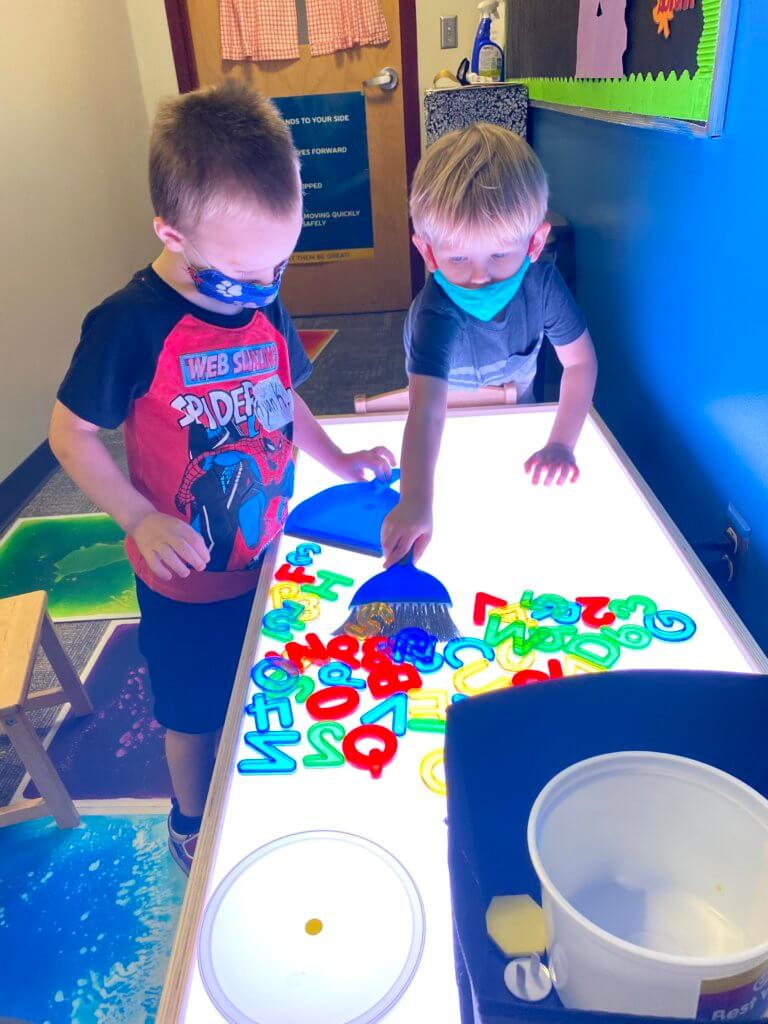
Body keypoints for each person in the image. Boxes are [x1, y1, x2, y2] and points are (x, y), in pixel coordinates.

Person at [49, 81, 394, 873]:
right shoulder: (130, 323)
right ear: (173, 234)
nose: (267, 287)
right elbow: (69, 436)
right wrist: (138, 517)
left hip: (267, 553)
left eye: (281, 262)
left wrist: (336, 457)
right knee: (193, 709)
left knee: (261, 684)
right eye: (246, 271)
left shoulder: (256, 290)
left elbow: (282, 396)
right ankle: (190, 819)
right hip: (186, 579)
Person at [381, 123, 597, 568]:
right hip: (445, 445)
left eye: (499, 255)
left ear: (535, 242)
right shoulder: (434, 312)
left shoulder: (542, 286)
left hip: (519, 434)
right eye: (458, 258)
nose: (479, 277)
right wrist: (417, 498)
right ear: (429, 253)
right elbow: (426, 411)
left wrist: (560, 444)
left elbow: (580, 365)